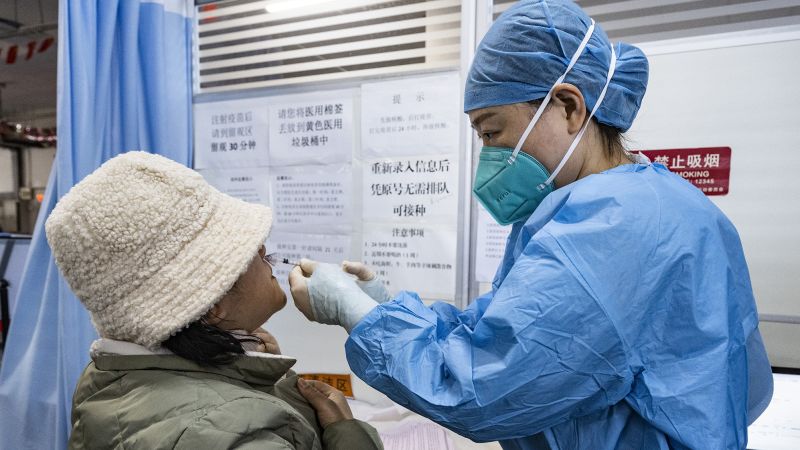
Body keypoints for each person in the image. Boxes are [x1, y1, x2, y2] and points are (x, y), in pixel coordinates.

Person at [287, 0, 773, 449]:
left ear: (569, 107)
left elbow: (479, 386)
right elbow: (499, 333)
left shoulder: (611, 230)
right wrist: (385, 307)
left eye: (493, 131)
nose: (489, 156)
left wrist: (358, 315)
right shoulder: (661, 204)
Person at [45, 151, 382, 449]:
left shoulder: (111, 376)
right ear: (211, 306)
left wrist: (249, 372)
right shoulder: (235, 435)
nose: (263, 248)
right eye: (243, 250)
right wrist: (346, 432)